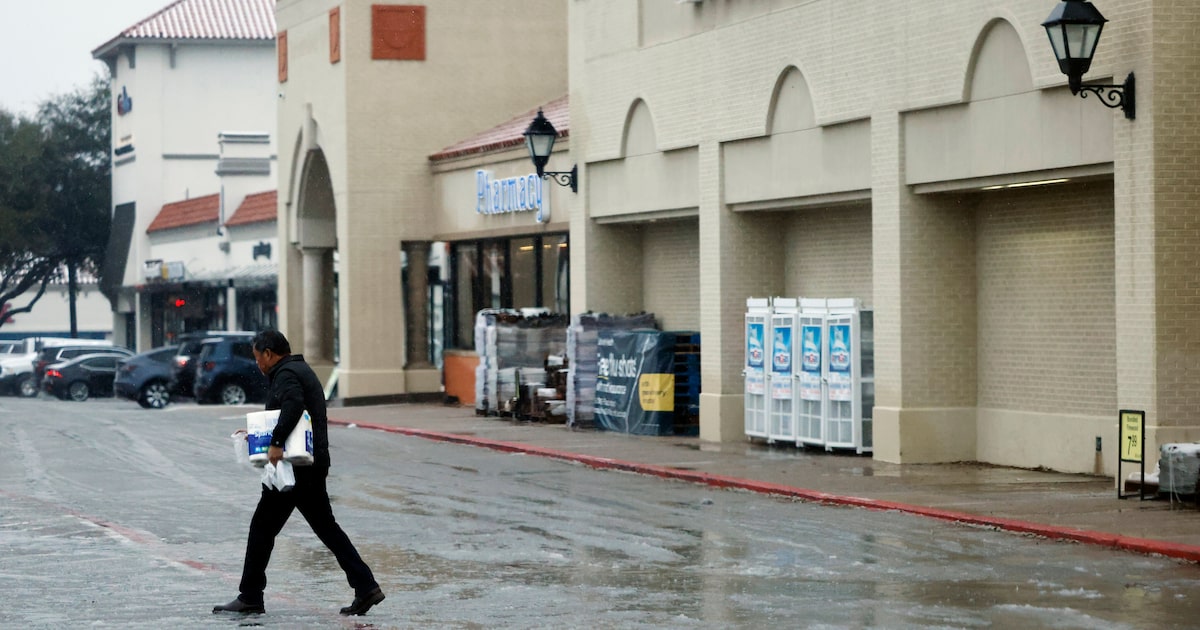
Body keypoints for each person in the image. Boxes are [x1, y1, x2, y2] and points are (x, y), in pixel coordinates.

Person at [213, 329, 385, 616]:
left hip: (295, 470)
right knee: (325, 528)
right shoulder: (297, 370)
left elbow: (293, 406)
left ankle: (250, 596)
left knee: (262, 528)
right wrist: (260, 436)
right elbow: (288, 413)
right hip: (309, 466)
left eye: (258, 358)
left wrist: (276, 442)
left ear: (269, 353)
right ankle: (366, 586)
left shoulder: (287, 374)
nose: (257, 364)